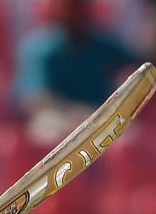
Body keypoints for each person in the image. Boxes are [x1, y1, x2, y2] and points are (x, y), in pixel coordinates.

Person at [14, 0, 140, 143]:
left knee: (130, 134)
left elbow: (141, 65)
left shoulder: (102, 44)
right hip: (58, 116)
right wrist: (74, 113)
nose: (75, 18)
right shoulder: (39, 48)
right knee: (46, 132)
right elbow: (35, 98)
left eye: (78, 11)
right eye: (69, 12)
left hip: (98, 113)